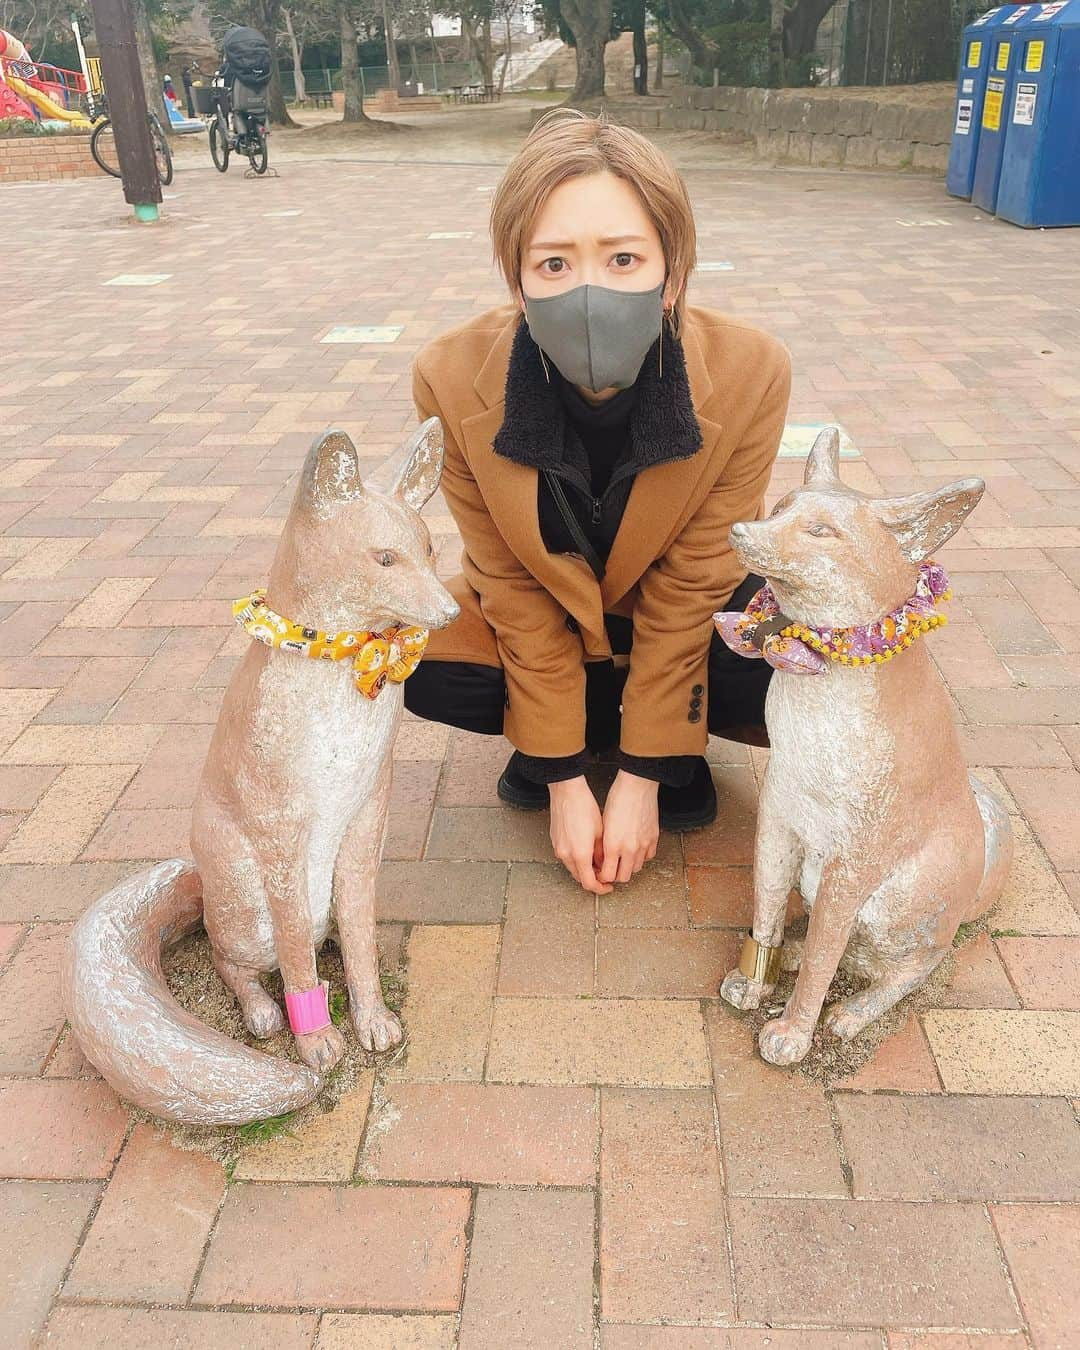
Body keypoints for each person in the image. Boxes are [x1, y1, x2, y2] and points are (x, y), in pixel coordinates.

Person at [407, 109, 791, 897]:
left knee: (780, 668)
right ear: (515, 279)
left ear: (672, 273)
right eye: (553, 264)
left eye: (623, 258)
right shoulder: (448, 377)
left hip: (671, 613)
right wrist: (561, 778)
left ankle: (658, 743)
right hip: (557, 618)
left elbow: (694, 585)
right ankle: (565, 738)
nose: (588, 292)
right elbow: (508, 582)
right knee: (418, 659)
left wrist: (645, 777)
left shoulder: (752, 370)